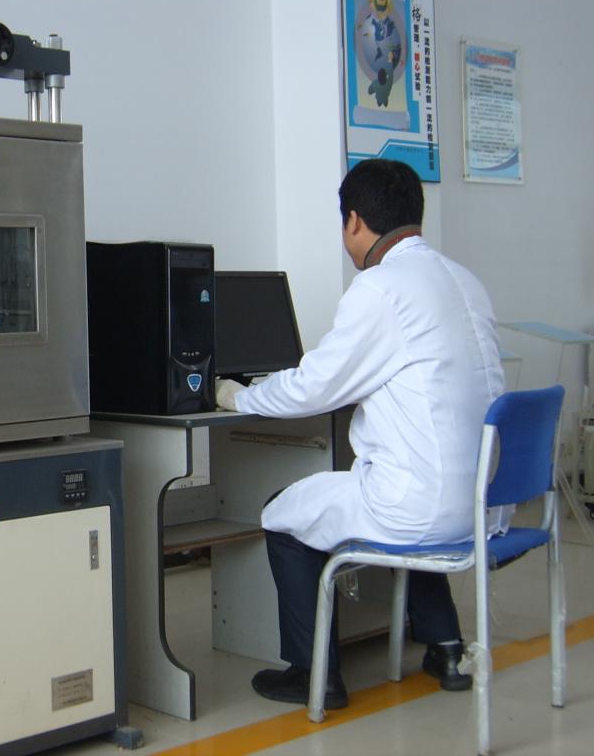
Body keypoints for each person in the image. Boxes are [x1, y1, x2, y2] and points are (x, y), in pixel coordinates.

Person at [215, 159, 504, 709]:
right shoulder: (465, 281)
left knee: (281, 515)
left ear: (353, 221)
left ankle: (314, 675)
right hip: (478, 503)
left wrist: (237, 396)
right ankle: (446, 646)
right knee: (414, 486)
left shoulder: (380, 288)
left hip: (418, 507)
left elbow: (314, 388)